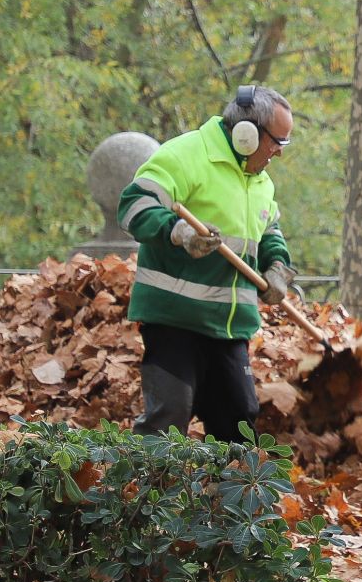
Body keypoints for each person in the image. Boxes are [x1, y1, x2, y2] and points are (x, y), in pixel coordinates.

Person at [116, 85, 297, 442]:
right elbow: (133, 206)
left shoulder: (260, 182)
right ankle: (147, 496)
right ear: (246, 132)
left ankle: (228, 497)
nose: (278, 151)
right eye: (277, 141)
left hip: (229, 329)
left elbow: (270, 230)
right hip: (174, 321)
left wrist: (278, 266)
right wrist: (178, 232)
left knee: (240, 421)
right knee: (168, 419)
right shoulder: (186, 155)